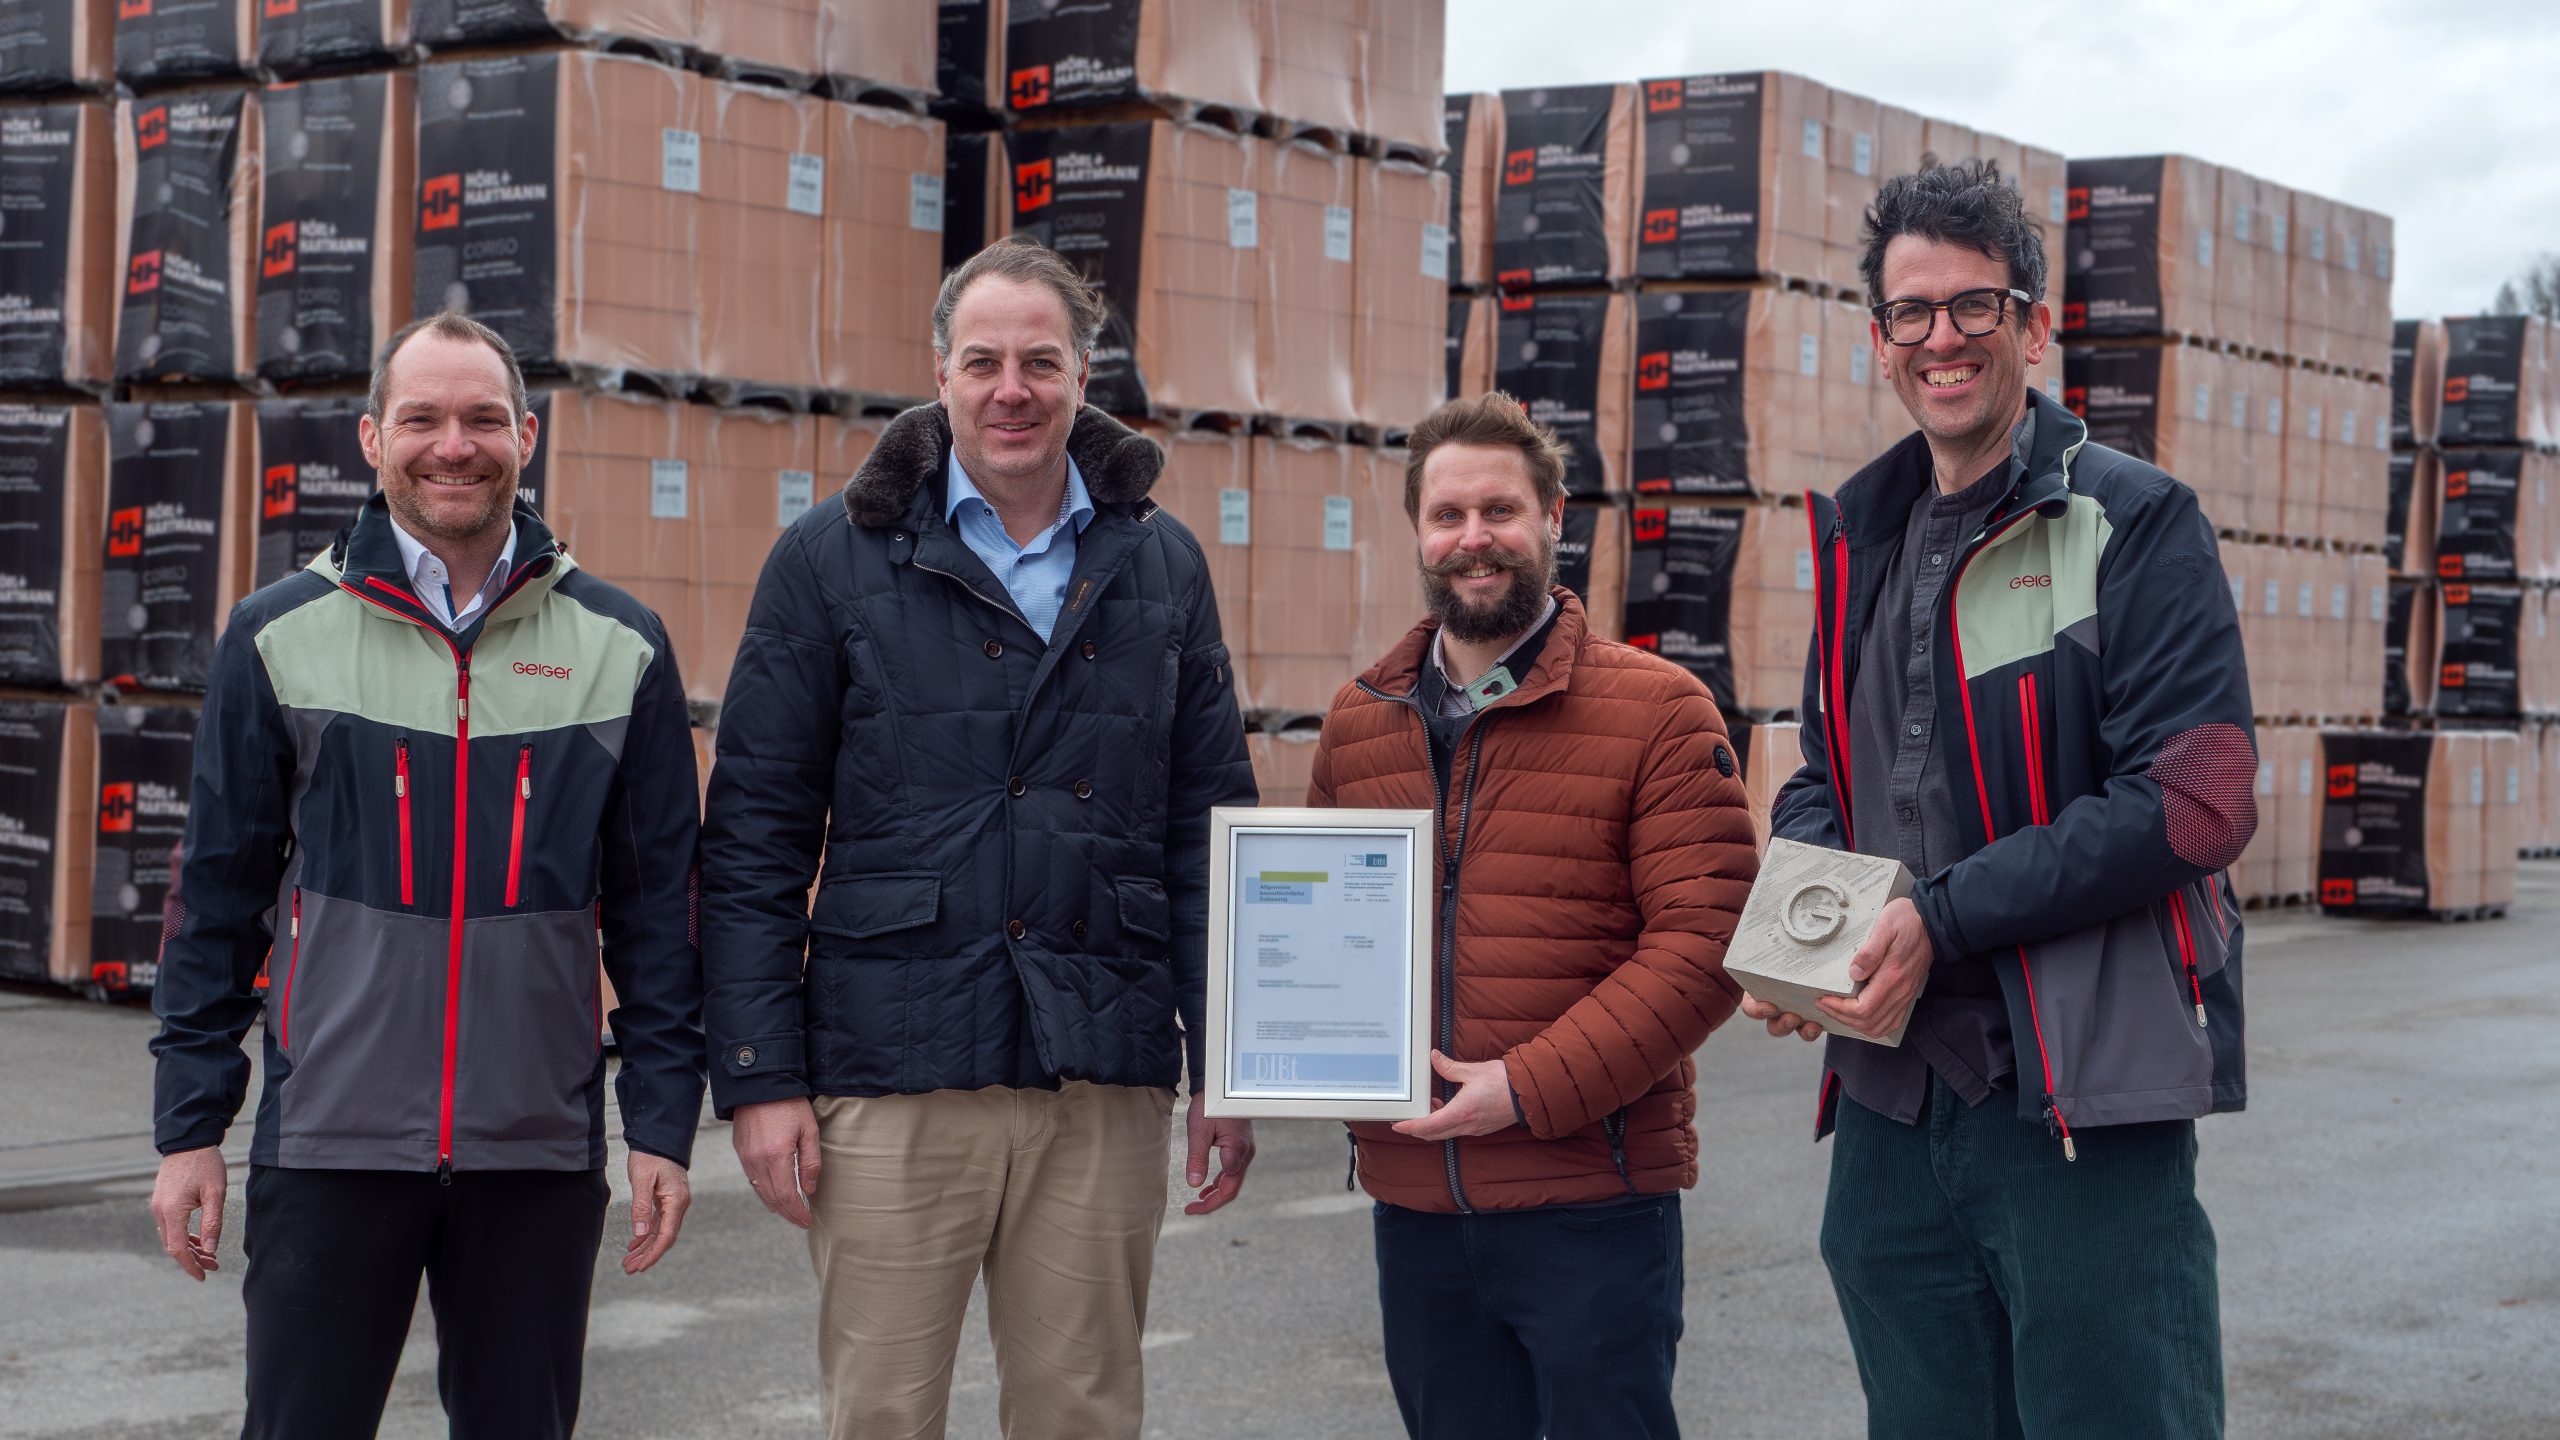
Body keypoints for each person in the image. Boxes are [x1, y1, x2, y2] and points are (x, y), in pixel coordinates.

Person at [699, 234, 1259, 1440]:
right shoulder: (828, 561)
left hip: (1097, 1068)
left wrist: (1231, 1060)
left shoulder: (1161, 564)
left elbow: (1208, 831)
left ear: (1082, 378)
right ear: (940, 373)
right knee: (881, 1417)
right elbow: (753, 835)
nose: (1013, 389)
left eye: (1041, 363)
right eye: (985, 361)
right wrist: (760, 1076)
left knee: (1082, 1415)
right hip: (893, 1067)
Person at [1746, 158, 2256, 1440]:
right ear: (1877, 341)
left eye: (1974, 305)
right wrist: (1804, 927)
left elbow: (2194, 802)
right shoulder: (1859, 538)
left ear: (2032, 326)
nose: (1942, 338)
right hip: (1891, 1101)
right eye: (1910, 312)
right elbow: (1822, 775)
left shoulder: (2129, 522)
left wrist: (1939, 918)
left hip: (2072, 1100)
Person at [146, 311, 708, 1439]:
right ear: (373, 439)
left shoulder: (621, 645)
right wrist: (188, 1129)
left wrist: (659, 1125)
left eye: (483, 419)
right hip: (330, 1143)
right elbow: (215, 897)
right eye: (423, 420)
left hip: (535, 1153)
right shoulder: (278, 636)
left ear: (526, 436)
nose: (455, 445)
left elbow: (660, 918)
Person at [1304, 391, 1758, 1440]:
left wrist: (1524, 1088)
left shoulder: (1658, 709)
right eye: (1448, 515)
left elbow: (1704, 945)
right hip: (1417, 1204)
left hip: (1589, 1199)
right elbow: (1324, 940)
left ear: (1554, 516)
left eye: (1500, 510)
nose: (1475, 539)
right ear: (1418, 531)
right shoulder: (1359, 722)